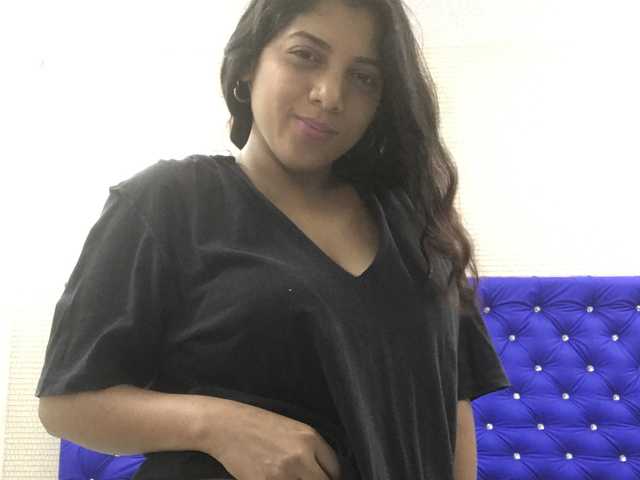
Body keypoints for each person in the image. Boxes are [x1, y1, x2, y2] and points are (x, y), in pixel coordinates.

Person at [36, 0, 511, 478]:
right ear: (248, 64)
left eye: (363, 77)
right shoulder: (166, 202)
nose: (330, 95)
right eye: (306, 55)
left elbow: (453, 410)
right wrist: (218, 425)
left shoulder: (420, 226)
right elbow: (65, 404)